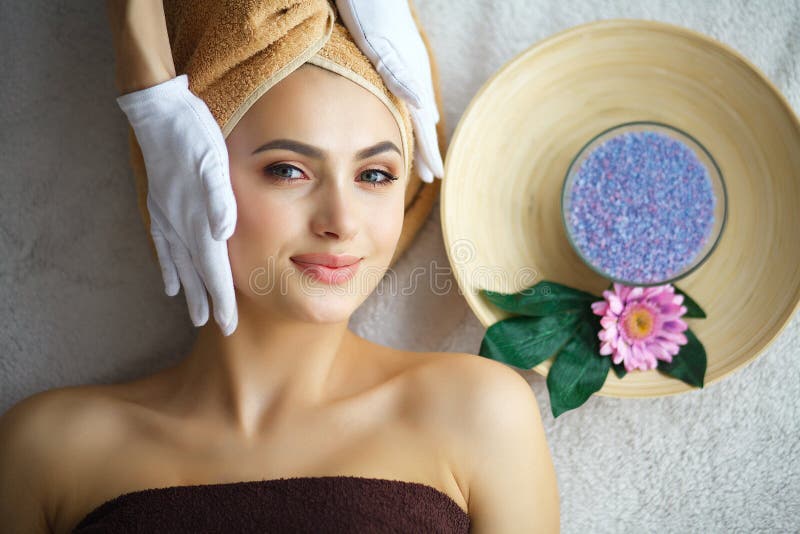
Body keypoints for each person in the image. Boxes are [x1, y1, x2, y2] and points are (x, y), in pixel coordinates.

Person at [0, 1, 560, 533]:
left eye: (375, 175)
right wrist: (143, 73)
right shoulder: (51, 449)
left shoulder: (477, 414)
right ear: (186, 183)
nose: (341, 221)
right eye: (288, 171)